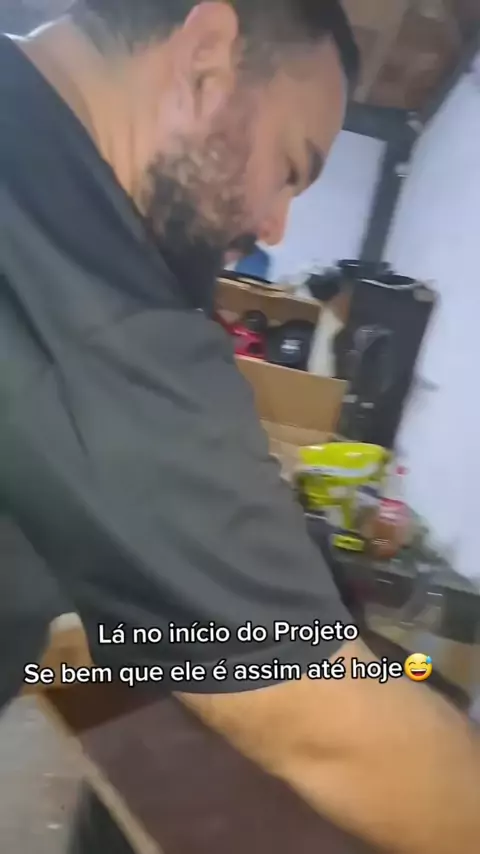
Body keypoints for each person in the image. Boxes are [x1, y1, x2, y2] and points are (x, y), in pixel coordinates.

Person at [0, 3, 479, 854]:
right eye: (290, 169)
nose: (275, 226)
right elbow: (324, 721)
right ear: (207, 56)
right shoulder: (100, 306)